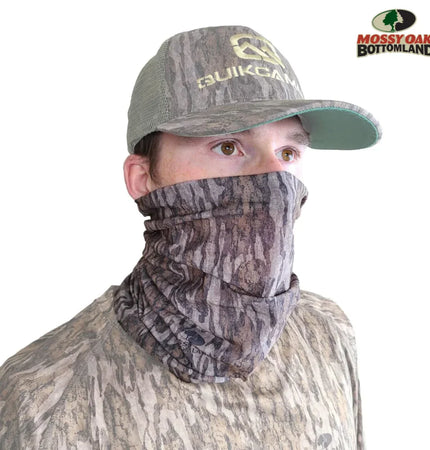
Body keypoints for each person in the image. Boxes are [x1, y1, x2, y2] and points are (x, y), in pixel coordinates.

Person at [0, 25, 381, 449]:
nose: (275, 181)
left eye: (288, 153)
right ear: (143, 178)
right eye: (228, 146)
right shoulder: (44, 398)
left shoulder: (327, 335)